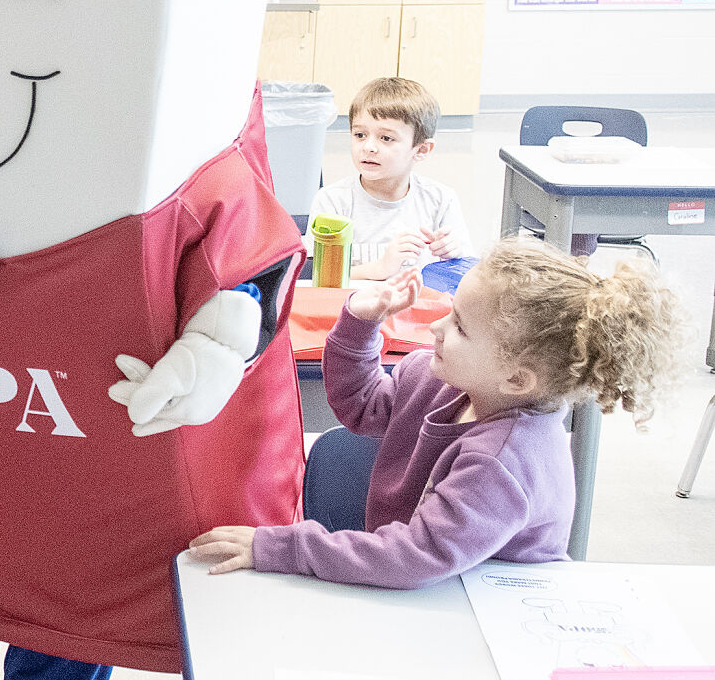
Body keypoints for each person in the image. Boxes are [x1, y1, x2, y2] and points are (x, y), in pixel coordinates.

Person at [188, 239, 685, 588]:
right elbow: (363, 407)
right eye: (450, 309)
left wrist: (283, 549)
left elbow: (413, 557)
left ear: (517, 378)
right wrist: (361, 328)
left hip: (479, 613)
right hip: (434, 588)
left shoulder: (505, 461)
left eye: (461, 327)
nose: (438, 328)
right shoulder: (437, 375)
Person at [306, 77, 473, 281]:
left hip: (419, 309)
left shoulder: (440, 200)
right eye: (360, 135)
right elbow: (318, 277)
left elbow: (467, 275)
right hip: (352, 308)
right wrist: (380, 268)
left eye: (386, 138)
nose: (368, 147)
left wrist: (455, 252)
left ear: (421, 150)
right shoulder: (332, 201)